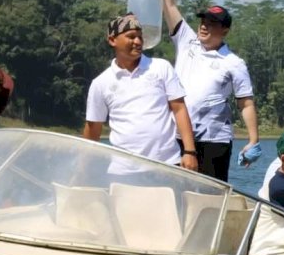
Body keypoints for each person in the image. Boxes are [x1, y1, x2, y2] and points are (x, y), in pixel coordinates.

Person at [139, 0, 260, 182]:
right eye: (203, 22)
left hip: (214, 140)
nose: (204, 26)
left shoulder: (233, 62)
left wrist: (253, 140)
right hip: (177, 135)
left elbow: (245, 103)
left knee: (211, 193)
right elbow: (169, 5)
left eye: (212, 24)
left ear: (224, 30)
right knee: (175, 188)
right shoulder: (186, 40)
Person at [83, 13, 198, 170]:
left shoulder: (161, 67)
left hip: (168, 165)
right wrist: (83, 168)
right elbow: (93, 128)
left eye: (140, 37)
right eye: (131, 36)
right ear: (112, 40)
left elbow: (179, 109)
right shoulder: (100, 83)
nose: (137, 42)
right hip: (122, 169)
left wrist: (190, 152)